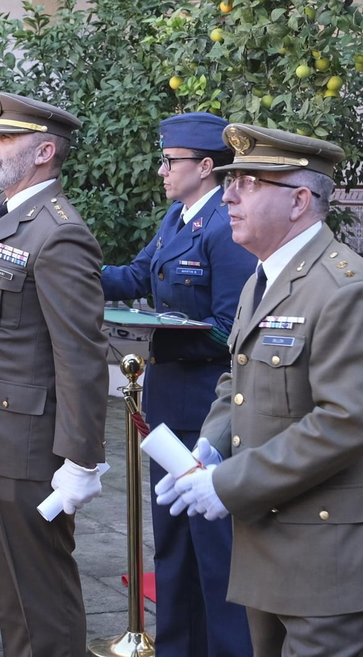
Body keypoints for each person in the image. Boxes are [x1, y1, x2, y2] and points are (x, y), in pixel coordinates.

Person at [159, 123, 363, 657]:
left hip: (334, 563)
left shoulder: (347, 290)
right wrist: (212, 443)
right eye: (231, 182)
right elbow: (239, 378)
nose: (228, 195)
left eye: (248, 183)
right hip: (275, 549)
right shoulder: (268, 274)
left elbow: (344, 423)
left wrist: (228, 483)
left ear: (299, 200)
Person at [0, 93, 110, 657]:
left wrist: (82, 458)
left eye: (4, 138)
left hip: (29, 441)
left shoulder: (58, 231)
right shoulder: (5, 213)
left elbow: (82, 354)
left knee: (41, 594)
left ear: (43, 151)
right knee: (11, 586)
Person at [99, 113, 255, 657]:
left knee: (214, 549)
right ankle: (177, 648)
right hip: (167, 404)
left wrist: (156, 338)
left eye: (171, 161)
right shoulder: (177, 216)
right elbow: (138, 277)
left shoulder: (223, 226)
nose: (162, 169)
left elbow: (232, 329)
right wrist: (73, 268)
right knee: (172, 543)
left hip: (206, 408)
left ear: (206, 166)